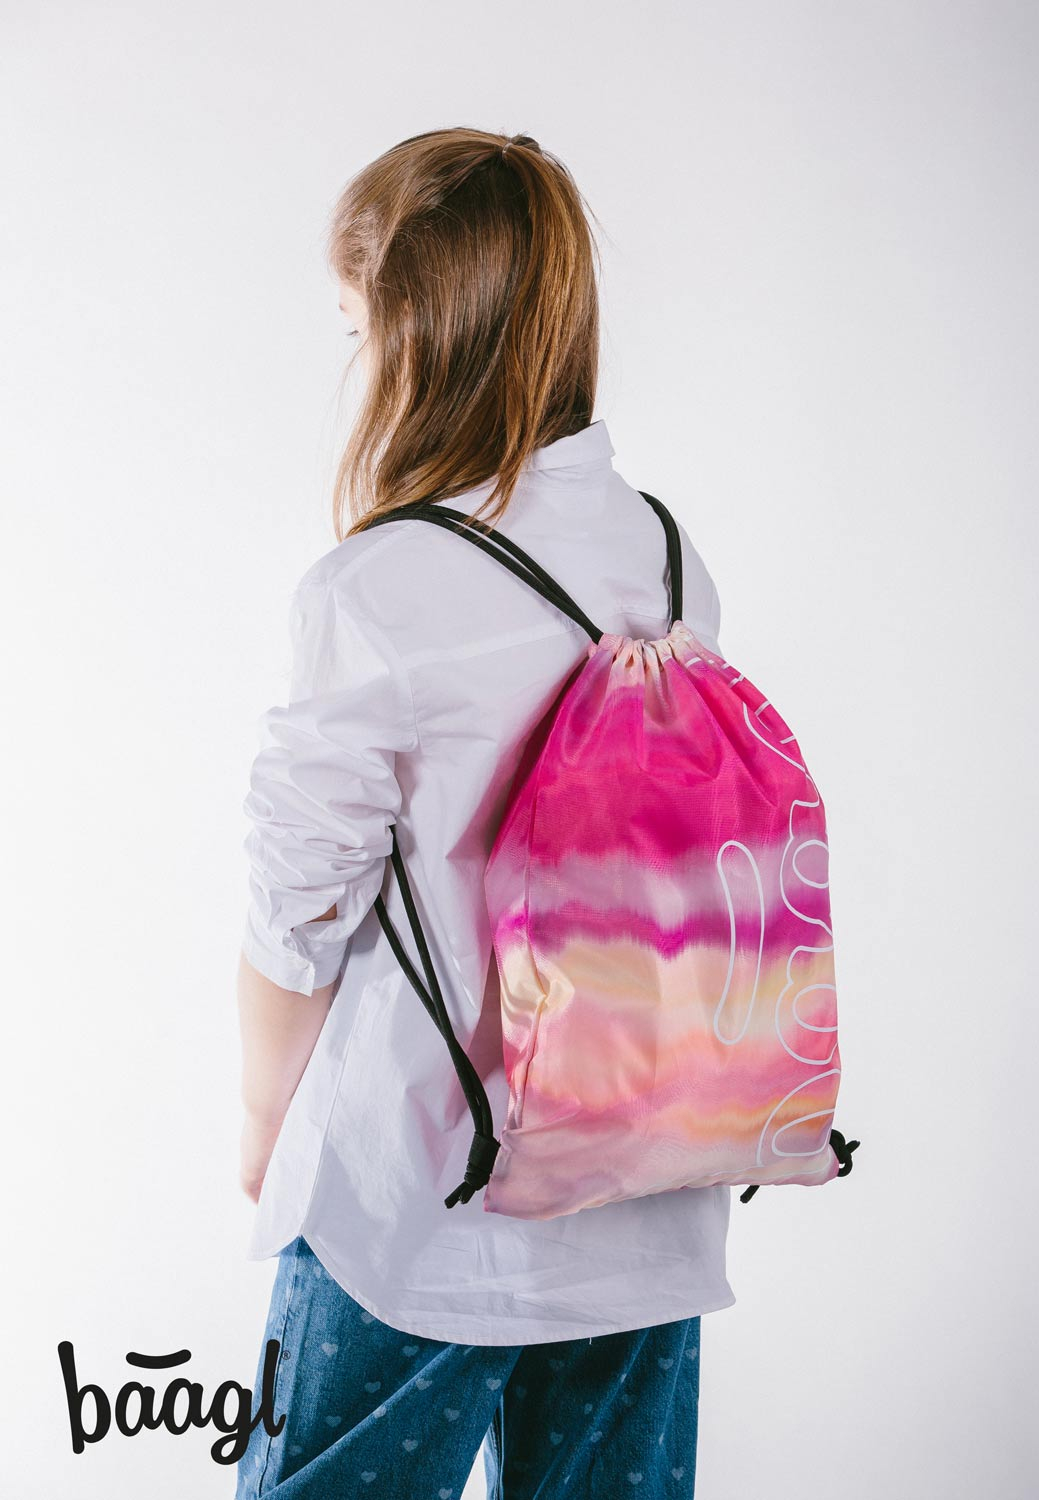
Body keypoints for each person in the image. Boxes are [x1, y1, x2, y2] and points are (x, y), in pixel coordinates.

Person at [235, 127, 735, 1500]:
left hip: (418, 1205)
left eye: (358, 330)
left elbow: (300, 908)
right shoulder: (667, 556)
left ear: (415, 332)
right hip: (644, 1190)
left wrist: (263, 1124)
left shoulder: (377, 588)